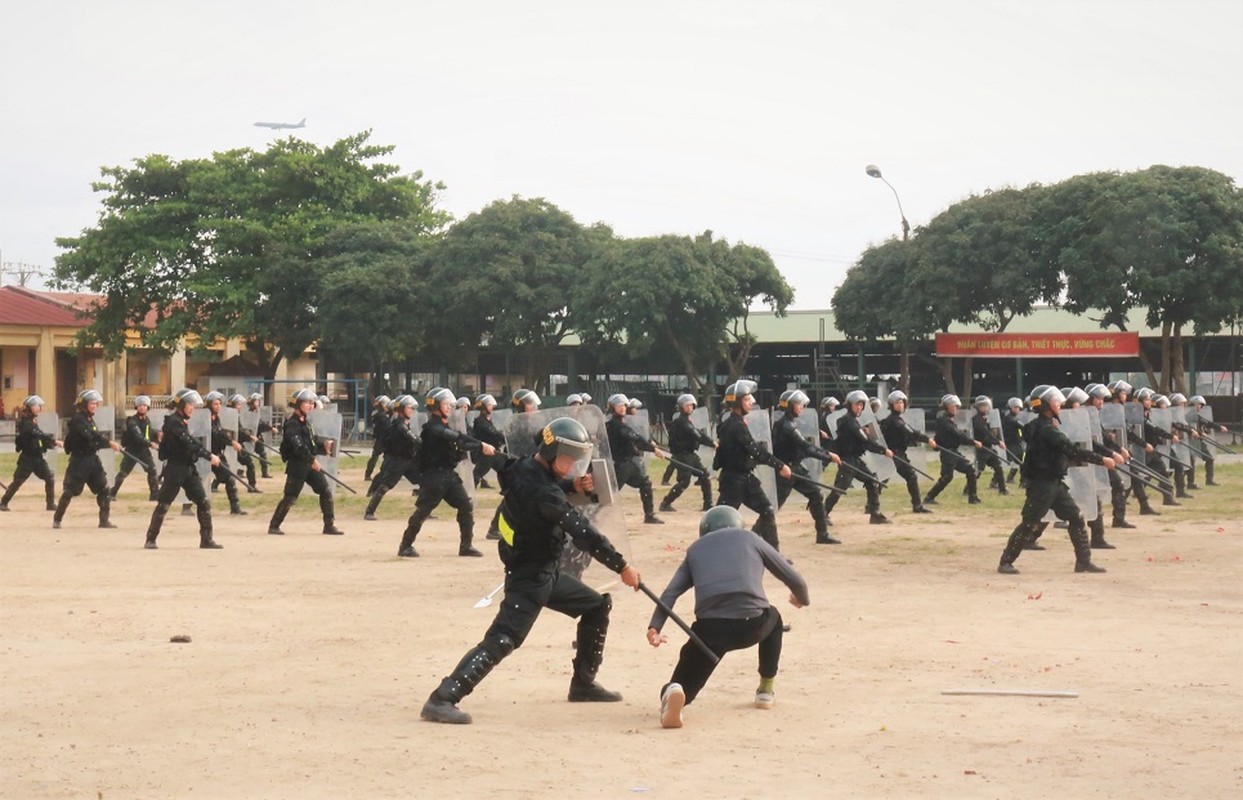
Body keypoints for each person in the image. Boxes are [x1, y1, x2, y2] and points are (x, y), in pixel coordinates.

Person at [420, 417, 641, 725]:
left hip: (545, 573)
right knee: (503, 638)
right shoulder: (544, 493)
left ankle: (583, 684)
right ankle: (443, 697)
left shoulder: (522, 467)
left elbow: (538, 483)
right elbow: (583, 532)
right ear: (552, 455)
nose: (575, 467)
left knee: (596, 606)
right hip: (530, 578)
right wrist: (622, 567)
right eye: (570, 461)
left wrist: (571, 485)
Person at [647, 505, 810, 728]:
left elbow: (670, 593)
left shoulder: (695, 550)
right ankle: (765, 689)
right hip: (752, 625)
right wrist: (801, 598)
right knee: (775, 617)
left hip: (709, 632)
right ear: (738, 524)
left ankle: (674, 692)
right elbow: (795, 579)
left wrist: (655, 626)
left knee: (682, 686)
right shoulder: (750, 538)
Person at [997, 385, 1114, 574]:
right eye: (1055, 401)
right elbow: (1072, 450)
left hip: (1055, 483)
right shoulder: (1046, 429)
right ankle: (1005, 561)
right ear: (1045, 406)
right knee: (1029, 523)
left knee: (1076, 518)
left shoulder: (1042, 425)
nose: (1059, 403)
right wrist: (1102, 460)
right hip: (1042, 485)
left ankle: (1083, 562)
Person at [397, 388, 496, 558]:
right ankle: (405, 545)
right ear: (435, 405)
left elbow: (459, 440)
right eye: (445, 404)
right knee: (423, 511)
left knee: (466, 505)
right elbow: (458, 438)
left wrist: (480, 445)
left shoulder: (443, 425)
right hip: (434, 477)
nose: (449, 407)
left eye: (450, 403)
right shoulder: (432, 428)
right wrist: (481, 445)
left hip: (448, 476)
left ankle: (466, 546)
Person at [713, 380, 791, 551]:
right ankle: (708, 552)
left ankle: (773, 555)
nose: (752, 402)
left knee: (767, 510)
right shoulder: (736, 425)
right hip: (733, 482)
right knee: (720, 520)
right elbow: (756, 451)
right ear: (738, 402)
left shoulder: (734, 423)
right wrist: (780, 466)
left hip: (745, 479)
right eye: (747, 399)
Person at [144, 389, 223, 550]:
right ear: (181, 406)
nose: (192, 408)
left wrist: (207, 454)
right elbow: (189, 443)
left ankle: (206, 539)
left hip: (188, 468)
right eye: (189, 405)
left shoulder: (181, 422)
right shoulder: (173, 422)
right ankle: (150, 539)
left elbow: (192, 442)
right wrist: (209, 456)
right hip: (175, 469)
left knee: (203, 501)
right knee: (164, 504)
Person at [267, 388, 345, 536]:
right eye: (307, 403)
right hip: (297, 466)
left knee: (325, 491)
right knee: (290, 497)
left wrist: (323, 446)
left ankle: (329, 525)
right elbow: (299, 446)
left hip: (308, 464)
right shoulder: (292, 424)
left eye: (311, 403)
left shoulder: (306, 423)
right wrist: (312, 460)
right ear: (298, 404)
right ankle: (274, 525)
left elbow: (310, 441)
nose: (310, 405)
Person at [771, 389, 841, 544]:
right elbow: (806, 447)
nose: (801, 406)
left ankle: (822, 534)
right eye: (798, 404)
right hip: (785, 471)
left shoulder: (789, 423)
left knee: (816, 494)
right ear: (789, 406)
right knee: (771, 508)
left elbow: (803, 447)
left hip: (795, 468)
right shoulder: (787, 425)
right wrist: (828, 455)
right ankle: (756, 535)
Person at [52, 389, 122, 529]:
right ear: (84, 404)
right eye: (91, 403)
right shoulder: (78, 420)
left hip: (92, 460)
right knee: (70, 491)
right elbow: (90, 436)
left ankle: (104, 520)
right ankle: (57, 519)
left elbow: (94, 437)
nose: (94, 405)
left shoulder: (90, 419)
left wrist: (106, 443)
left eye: (96, 403)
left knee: (104, 489)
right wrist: (108, 443)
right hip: (79, 461)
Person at [821, 390, 893, 524]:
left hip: (855, 459)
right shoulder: (850, 422)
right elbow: (865, 442)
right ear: (850, 406)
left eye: (861, 405)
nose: (859, 408)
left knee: (871, 481)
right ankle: (823, 514)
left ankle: (874, 513)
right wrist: (884, 450)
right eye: (856, 405)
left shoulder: (851, 420)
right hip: (848, 460)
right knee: (840, 488)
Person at [605, 393, 667, 525]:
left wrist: (650, 445)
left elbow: (637, 438)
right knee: (609, 492)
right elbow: (635, 439)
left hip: (630, 464)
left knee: (645, 484)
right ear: (612, 407)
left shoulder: (619, 424)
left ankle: (649, 515)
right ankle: (592, 515)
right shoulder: (616, 426)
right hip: (622, 465)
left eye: (624, 405)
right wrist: (653, 449)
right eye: (618, 405)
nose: (622, 408)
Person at [363, 395, 421, 520]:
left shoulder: (403, 424)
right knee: (385, 486)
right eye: (409, 408)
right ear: (401, 409)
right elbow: (413, 439)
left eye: (412, 408)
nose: (411, 410)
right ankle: (369, 512)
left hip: (408, 461)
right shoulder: (399, 425)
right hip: (398, 462)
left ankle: (423, 511)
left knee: (425, 482)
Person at [1, 395, 62, 512]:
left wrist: (49, 444)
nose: (39, 408)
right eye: (36, 406)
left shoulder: (33, 421)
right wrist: (54, 441)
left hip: (37, 459)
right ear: (30, 408)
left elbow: (39, 437)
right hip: (27, 459)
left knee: (49, 478)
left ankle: (50, 504)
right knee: (18, 481)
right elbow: (38, 434)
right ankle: (3, 502)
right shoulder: (26, 423)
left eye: (39, 406)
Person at [878, 390, 934, 514]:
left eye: (902, 402)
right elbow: (911, 433)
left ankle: (917, 505)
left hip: (896, 454)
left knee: (906, 477)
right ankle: (917, 506)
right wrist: (927, 439)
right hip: (894, 454)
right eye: (897, 403)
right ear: (891, 405)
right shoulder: (895, 420)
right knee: (884, 479)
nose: (901, 405)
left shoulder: (895, 419)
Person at [659, 394, 716, 514]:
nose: (690, 408)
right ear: (681, 407)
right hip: (683, 455)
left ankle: (708, 504)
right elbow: (697, 435)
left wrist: (712, 442)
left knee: (704, 476)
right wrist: (712, 444)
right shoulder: (680, 422)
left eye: (691, 405)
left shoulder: (687, 421)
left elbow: (698, 434)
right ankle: (666, 503)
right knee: (684, 481)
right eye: (687, 405)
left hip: (690, 455)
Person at [922, 394, 982, 506]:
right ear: (947, 406)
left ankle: (972, 497)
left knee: (970, 471)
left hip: (953, 452)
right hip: (948, 454)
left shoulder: (947, 421)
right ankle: (929, 497)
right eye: (955, 406)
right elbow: (957, 435)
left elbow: (941, 437)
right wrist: (973, 442)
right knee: (947, 477)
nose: (956, 409)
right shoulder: (944, 421)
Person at [202, 391, 249, 515]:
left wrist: (231, 441)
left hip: (217, 454)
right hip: (203, 455)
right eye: (215, 404)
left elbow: (220, 432)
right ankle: (186, 506)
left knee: (229, 478)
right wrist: (231, 442)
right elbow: (214, 434)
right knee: (196, 481)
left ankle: (235, 507)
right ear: (209, 405)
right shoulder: (203, 418)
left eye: (219, 404)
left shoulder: (216, 418)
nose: (218, 406)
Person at [109, 395, 161, 501]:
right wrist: (150, 444)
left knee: (152, 470)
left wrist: (158, 434)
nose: (142, 407)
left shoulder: (147, 421)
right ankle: (112, 493)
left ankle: (155, 494)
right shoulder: (132, 421)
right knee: (123, 472)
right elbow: (138, 436)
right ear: (136, 407)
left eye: (144, 405)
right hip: (132, 450)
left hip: (143, 450)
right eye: (140, 405)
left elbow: (148, 433)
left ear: (148, 407)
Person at [971, 396, 1009, 495]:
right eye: (985, 406)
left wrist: (996, 439)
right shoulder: (977, 419)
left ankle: (1002, 489)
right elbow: (985, 435)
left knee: (998, 467)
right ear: (980, 407)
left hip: (988, 448)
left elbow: (988, 433)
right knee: (979, 469)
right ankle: (968, 489)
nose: (987, 408)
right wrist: (997, 442)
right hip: (982, 448)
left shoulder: (983, 419)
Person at [1188, 394, 1228, 487]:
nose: (1200, 407)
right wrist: (1200, 433)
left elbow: (1207, 423)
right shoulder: (1188, 415)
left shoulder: (1196, 416)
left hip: (1197, 442)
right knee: (1190, 462)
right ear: (1194, 404)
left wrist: (1220, 427)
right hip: (1190, 442)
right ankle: (1190, 483)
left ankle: (1209, 480)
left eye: (1201, 405)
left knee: (1209, 458)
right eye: (1199, 405)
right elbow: (1188, 428)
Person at [227, 393, 263, 492]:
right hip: (230, 446)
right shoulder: (229, 417)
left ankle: (252, 486)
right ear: (233, 405)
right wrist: (250, 436)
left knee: (249, 463)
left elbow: (241, 430)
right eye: (238, 405)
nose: (240, 407)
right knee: (226, 467)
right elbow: (237, 431)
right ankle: (214, 485)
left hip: (237, 444)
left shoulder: (235, 416)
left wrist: (249, 436)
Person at [470, 394, 507, 489]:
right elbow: (494, 433)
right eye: (489, 405)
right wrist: (505, 437)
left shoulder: (486, 420)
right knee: (476, 476)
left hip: (493, 452)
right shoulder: (480, 421)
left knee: (506, 471)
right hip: (485, 454)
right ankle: (468, 494)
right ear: (483, 406)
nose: (492, 407)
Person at [363, 395, 392, 483]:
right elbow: (386, 427)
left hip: (381, 439)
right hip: (383, 439)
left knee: (379, 457)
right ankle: (371, 474)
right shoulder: (381, 415)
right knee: (380, 457)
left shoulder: (378, 414)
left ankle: (369, 474)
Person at [246, 393, 273, 479]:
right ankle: (240, 471)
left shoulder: (257, 413)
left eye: (258, 402)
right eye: (256, 401)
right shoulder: (249, 413)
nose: (258, 403)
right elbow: (257, 425)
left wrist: (270, 428)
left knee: (262, 454)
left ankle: (264, 473)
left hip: (257, 437)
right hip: (249, 437)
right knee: (246, 456)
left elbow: (261, 423)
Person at [1001, 397, 1026, 486]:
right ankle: (1023, 482)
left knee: (1018, 462)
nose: (1017, 409)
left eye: (1018, 408)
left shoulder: (1013, 417)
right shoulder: (1010, 418)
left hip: (1016, 443)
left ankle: (1010, 478)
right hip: (1011, 443)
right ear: (1010, 407)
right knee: (1020, 462)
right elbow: (1020, 425)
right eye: (1015, 407)